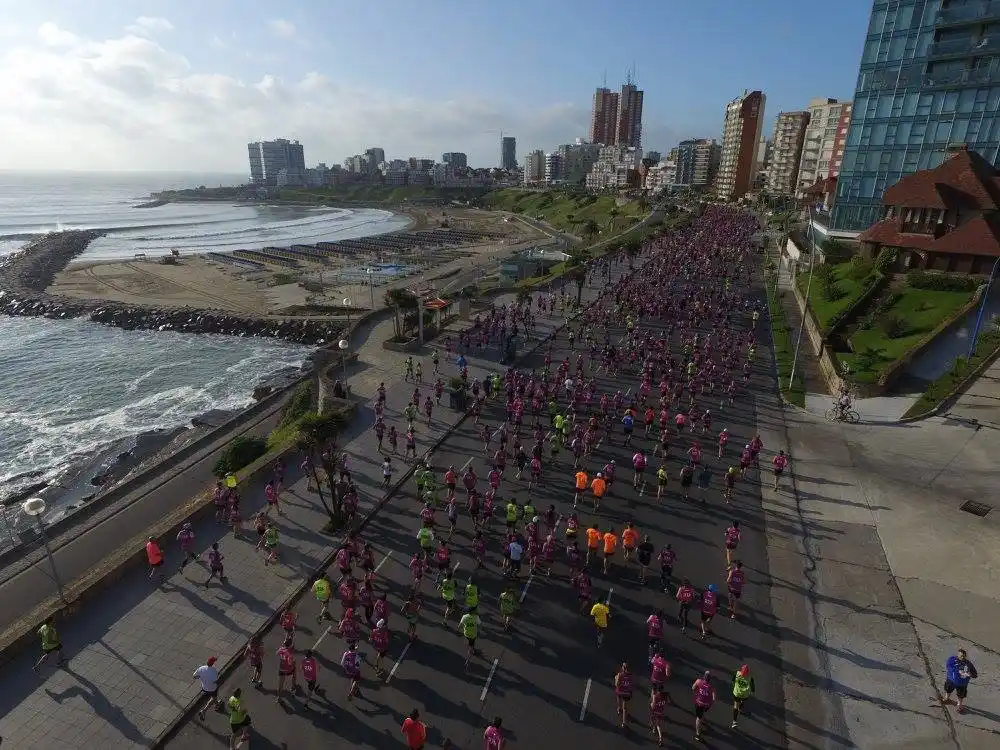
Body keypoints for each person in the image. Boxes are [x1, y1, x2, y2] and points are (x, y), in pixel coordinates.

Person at [940, 648, 978, 714]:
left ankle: (959, 705)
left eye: (964, 656)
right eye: (961, 656)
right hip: (951, 680)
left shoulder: (969, 664)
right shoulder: (952, 659)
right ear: (958, 655)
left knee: (961, 695)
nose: (962, 657)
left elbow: (975, 674)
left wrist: (970, 674)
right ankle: (946, 698)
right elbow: (949, 667)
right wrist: (959, 671)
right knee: (948, 690)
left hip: (962, 683)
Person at [194, 656, 222, 720]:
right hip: (212, 688)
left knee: (213, 697)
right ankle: (204, 711)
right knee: (213, 698)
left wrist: (201, 677)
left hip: (204, 688)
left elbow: (194, 676)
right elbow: (215, 681)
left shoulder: (201, 668)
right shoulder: (214, 671)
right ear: (213, 663)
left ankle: (217, 704)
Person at [692, 670, 716, 741]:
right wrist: (710, 701)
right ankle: (697, 735)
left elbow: (693, 688)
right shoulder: (711, 687)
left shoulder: (698, 681)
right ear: (709, 679)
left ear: (703, 677)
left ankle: (698, 732)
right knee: (699, 718)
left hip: (698, 703)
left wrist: (698, 692)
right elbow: (714, 698)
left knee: (699, 717)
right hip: (706, 705)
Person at [731, 663, 755, 729]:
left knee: (735, 706)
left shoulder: (737, 674)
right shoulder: (750, 678)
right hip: (745, 695)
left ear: (741, 670)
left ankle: (734, 722)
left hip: (737, 693)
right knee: (742, 701)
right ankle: (740, 707)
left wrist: (735, 686)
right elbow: (753, 687)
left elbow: (733, 680)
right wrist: (752, 691)